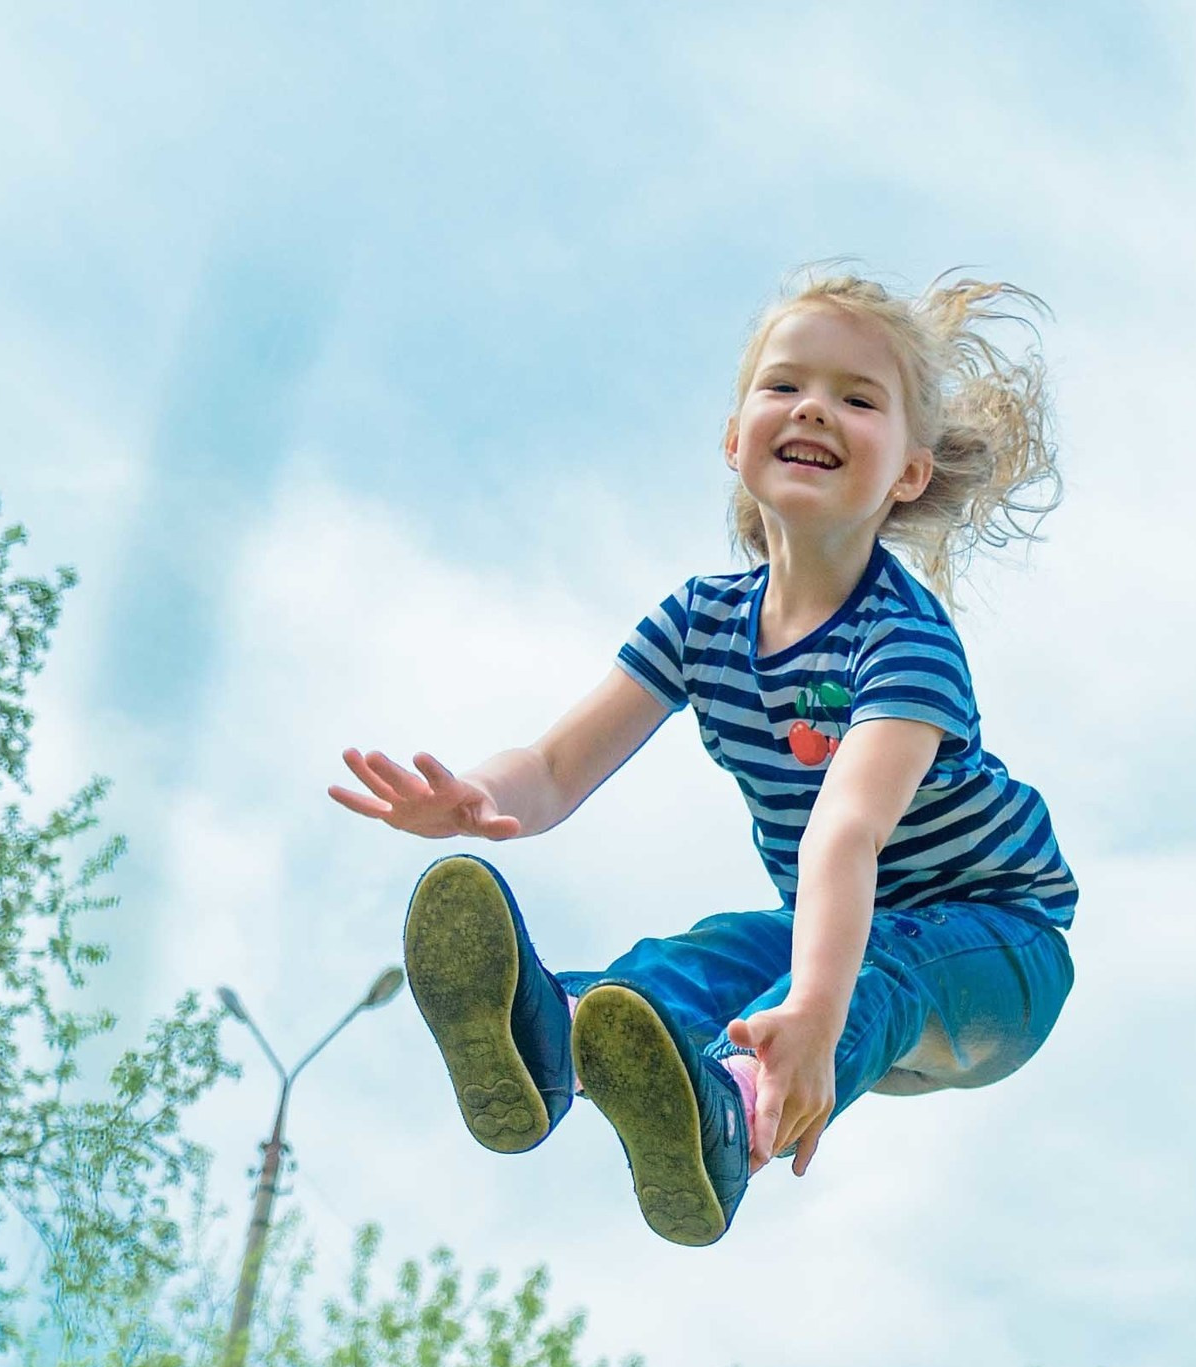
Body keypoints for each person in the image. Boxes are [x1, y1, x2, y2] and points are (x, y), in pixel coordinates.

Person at [331, 275, 1075, 1247]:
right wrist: (474, 797)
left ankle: (733, 1112)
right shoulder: (701, 622)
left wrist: (812, 1010)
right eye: (785, 386)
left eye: (857, 398)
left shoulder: (904, 638)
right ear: (734, 440)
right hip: (831, 926)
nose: (814, 407)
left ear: (908, 473)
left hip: (1001, 950)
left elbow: (847, 830)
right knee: (704, 955)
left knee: (867, 967)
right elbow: (554, 768)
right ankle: (549, 1033)